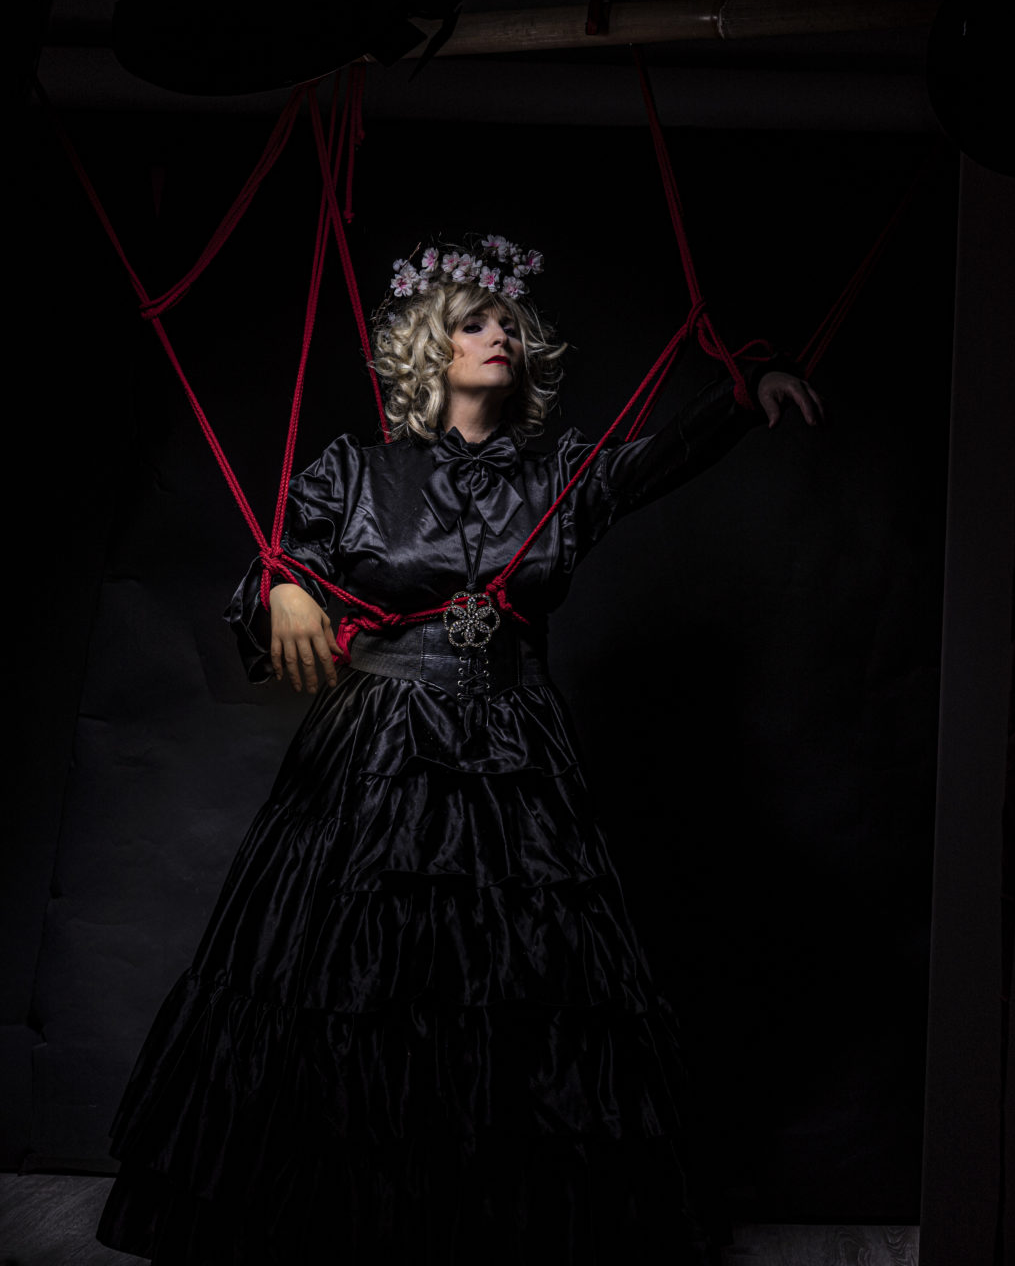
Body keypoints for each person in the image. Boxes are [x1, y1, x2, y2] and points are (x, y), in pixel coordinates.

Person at [97, 236, 822, 1265]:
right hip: (376, 754)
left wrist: (744, 395)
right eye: (475, 322)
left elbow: (659, 458)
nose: (499, 336)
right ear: (429, 345)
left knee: (523, 990)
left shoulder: (562, 474)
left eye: (510, 325)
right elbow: (280, 562)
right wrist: (284, 586)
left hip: (518, 753)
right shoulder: (354, 471)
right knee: (353, 983)